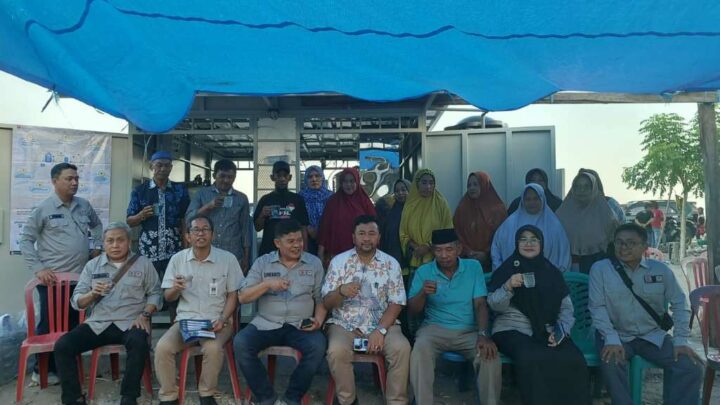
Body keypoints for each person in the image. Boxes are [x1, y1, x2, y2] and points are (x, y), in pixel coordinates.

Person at [589, 223, 702, 405]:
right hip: (617, 335)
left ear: (644, 246)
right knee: (611, 361)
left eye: (631, 243)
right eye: (619, 242)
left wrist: (681, 340)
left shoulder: (660, 270)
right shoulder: (600, 269)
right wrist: (610, 338)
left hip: (652, 336)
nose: (624, 247)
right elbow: (597, 307)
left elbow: (680, 304)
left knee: (690, 366)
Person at [54, 222, 161, 405]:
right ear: (103, 243)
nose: (115, 245)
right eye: (110, 241)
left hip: (130, 321)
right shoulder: (92, 266)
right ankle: (73, 398)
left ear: (129, 242)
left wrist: (145, 314)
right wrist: (92, 294)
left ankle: (128, 397)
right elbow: (77, 301)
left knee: (139, 341)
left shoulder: (143, 264)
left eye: (120, 240)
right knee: (63, 345)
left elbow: (156, 293)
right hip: (98, 323)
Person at [19, 162, 103, 385]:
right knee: (49, 326)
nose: (74, 182)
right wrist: (39, 268)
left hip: (80, 280)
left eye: (76, 178)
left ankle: (68, 370)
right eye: (69, 178)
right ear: (54, 181)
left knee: (73, 327)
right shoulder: (43, 209)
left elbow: (97, 226)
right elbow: (25, 240)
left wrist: (97, 246)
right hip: (52, 281)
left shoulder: (83, 205)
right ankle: (43, 371)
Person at [488, 225, 590, 405]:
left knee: (572, 357)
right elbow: (495, 306)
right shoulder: (507, 269)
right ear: (516, 243)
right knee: (531, 356)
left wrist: (561, 331)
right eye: (523, 239)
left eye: (534, 239)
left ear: (541, 244)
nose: (528, 244)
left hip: (547, 329)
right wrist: (508, 286)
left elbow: (566, 308)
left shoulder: (551, 272)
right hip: (511, 328)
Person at [234, 219, 327, 405]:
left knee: (318, 346)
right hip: (266, 323)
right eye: (291, 241)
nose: (297, 245)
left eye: (299, 240)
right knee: (241, 343)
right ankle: (267, 397)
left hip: (300, 325)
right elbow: (243, 296)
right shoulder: (263, 263)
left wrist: (318, 321)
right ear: (278, 243)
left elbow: (321, 299)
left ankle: (292, 398)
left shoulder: (314, 263)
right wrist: (267, 284)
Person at [154, 215, 243, 405]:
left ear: (213, 234)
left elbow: (233, 295)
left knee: (212, 348)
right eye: (195, 230)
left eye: (205, 229)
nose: (200, 234)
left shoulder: (227, 259)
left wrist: (223, 318)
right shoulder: (178, 259)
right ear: (188, 236)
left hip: (216, 321)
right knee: (162, 347)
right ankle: (168, 396)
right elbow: (168, 297)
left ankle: (207, 394)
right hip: (186, 321)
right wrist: (175, 288)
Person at [322, 215, 411, 405]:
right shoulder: (339, 262)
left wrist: (380, 330)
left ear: (379, 237)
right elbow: (327, 302)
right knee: (336, 350)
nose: (367, 238)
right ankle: (348, 400)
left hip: (383, 325)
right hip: (345, 325)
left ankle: (396, 401)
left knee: (401, 348)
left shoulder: (391, 264)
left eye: (372, 233)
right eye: (361, 233)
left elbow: (397, 302)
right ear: (353, 237)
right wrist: (341, 291)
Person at [408, 229, 501, 405]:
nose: (444, 255)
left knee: (489, 356)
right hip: (434, 329)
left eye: (449, 249)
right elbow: (413, 311)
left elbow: (480, 304)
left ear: (459, 249)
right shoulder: (424, 271)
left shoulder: (473, 267)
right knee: (420, 350)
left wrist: (483, 334)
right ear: (433, 251)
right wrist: (423, 293)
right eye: (438, 250)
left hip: (468, 330)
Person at [126, 151, 190, 281]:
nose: (163, 169)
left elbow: (185, 218)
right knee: (147, 286)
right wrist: (141, 215)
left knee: (174, 285)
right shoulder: (140, 191)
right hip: (148, 250)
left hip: (174, 250)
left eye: (167, 165)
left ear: (171, 168)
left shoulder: (180, 190)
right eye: (159, 165)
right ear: (151, 166)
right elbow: (129, 221)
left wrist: (187, 245)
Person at [186, 159, 251, 273]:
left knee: (233, 283)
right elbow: (189, 219)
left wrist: (246, 258)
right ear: (214, 175)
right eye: (222, 176)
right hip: (206, 253)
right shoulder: (201, 194)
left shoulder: (241, 198)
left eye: (230, 177)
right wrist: (208, 206)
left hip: (234, 254)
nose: (226, 180)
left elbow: (245, 229)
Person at [491, 183, 571, 272]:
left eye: (536, 199)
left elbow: (564, 254)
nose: (532, 203)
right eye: (528, 199)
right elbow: (496, 248)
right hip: (513, 276)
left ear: (542, 199)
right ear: (522, 200)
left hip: (547, 277)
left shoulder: (554, 224)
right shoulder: (509, 224)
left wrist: (557, 275)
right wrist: (500, 272)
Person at [557, 172, 619, 274]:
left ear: (593, 188)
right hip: (568, 265)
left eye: (586, 186)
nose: (582, 190)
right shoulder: (563, 212)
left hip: (600, 264)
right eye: (578, 186)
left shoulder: (606, 213)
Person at [317, 167, 377, 261]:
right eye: (345, 181)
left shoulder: (365, 202)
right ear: (341, 183)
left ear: (357, 182)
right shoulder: (333, 202)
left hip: (361, 253)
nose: (348, 184)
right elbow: (325, 228)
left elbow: (374, 229)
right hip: (337, 255)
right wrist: (320, 253)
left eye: (352, 181)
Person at [400, 168, 453, 271]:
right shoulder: (409, 206)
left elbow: (448, 230)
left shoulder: (441, 203)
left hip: (437, 260)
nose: (428, 187)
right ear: (417, 184)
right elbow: (403, 233)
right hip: (415, 258)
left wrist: (428, 246)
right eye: (424, 183)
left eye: (431, 183)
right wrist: (416, 247)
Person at [254, 160, 310, 257]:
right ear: (272, 177)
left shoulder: (298, 199)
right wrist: (262, 215)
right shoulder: (265, 199)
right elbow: (257, 227)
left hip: (293, 249)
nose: (282, 179)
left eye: (285, 175)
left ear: (290, 177)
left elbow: (303, 227)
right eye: (278, 175)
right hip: (269, 251)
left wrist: (304, 250)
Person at [453, 171, 507, 272]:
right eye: (469, 185)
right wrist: (468, 252)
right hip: (466, 261)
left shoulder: (498, 209)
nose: (472, 188)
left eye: (476, 184)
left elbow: (502, 236)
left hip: (492, 263)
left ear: (484, 185)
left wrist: (486, 254)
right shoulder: (462, 208)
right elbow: (457, 233)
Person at [298, 165, 333, 255]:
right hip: (306, 238)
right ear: (306, 180)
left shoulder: (331, 197)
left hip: (328, 237)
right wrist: (308, 227)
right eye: (310, 177)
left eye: (317, 176)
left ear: (322, 178)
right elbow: (298, 218)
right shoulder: (300, 197)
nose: (314, 179)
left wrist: (322, 230)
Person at [378, 179, 410, 267]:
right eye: (397, 191)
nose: (400, 193)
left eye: (403, 190)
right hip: (392, 258)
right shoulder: (390, 212)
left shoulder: (415, 211)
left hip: (412, 258)